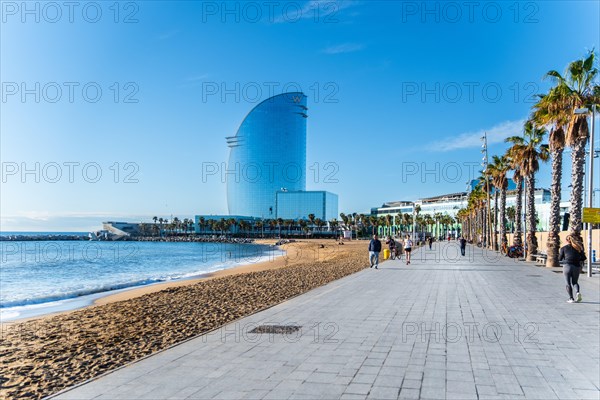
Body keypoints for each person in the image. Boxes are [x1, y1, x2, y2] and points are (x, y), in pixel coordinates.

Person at [559, 234, 586, 303]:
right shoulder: (578, 248)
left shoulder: (563, 248)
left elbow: (560, 258)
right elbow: (583, 258)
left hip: (567, 266)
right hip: (576, 267)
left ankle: (571, 298)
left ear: (566, 240)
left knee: (568, 283)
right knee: (575, 282)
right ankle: (577, 292)